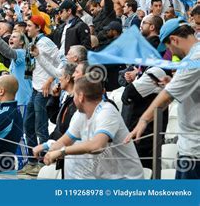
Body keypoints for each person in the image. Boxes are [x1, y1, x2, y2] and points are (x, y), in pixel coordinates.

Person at [126, 18, 200, 179]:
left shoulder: (194, 59)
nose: (171, 53)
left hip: (194, 152)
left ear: (174, 40)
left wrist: (143, 120)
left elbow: (166, 97)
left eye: (168, 47)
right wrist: (172, 82)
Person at [35, 77, 144, 179]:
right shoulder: (80, 114)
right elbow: (65, 141)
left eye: (75, 94)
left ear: (81, 96)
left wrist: (61, 152)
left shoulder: (107, 112)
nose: (73, 98)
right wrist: (46, 148)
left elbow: (96, 146)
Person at [20, 14, 63, 176]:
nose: (27, 28)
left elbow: (60, 63)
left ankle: (45, 162)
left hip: (44, 89)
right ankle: (33, 161)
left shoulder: (46, 42)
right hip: (35, 88)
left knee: (40, 126)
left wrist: (50, 81)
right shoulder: (33, 42)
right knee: (28, 124)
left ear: (38, 27)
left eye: (30, 26)